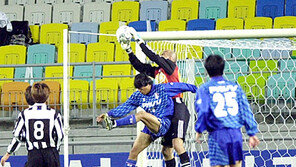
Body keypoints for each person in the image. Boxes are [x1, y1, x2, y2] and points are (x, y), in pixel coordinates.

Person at [117, 25, 191, 167]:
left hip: (177, 107)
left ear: (170, 58)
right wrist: (129, 51)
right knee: (166, 151)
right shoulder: (159, 71)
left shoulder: (171, 68)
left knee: (177, 144)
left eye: (164, 54)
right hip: (164, 110)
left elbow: (155, 57)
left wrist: (139, 40)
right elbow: (140, 66)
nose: (161, 54)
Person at [97, 73, 197, 167]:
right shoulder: (138, 96)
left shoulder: (162, 89)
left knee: (141, 115)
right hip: (150, 125)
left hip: (164, 123)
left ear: (149, 84)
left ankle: (114, 124)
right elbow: (124, 107)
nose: (140, 91)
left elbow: (183, 86)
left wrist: (199, 91)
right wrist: (108, 114)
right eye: (138, 89)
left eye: (142, 88)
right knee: (134, 151)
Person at [194, 55, 260, 167]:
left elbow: (204, 111)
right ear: (223, 68)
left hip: (218, 134)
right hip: (235, 134)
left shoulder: (205, 89)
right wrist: (252, 132)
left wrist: (199, 129)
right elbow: (245, 111)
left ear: (207, 69)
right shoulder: (235, 87)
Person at [1, 83, 64, 167]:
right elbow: (60, 135)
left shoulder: (25, 114)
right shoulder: (54, 113)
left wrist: (9, 152)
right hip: (51, 153)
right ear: (47, 97)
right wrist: (56, 148)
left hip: (34, 154)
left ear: (33, 97)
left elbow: (17, 134)